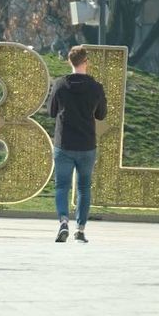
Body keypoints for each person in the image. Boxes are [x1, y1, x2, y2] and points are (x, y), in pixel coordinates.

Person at [48, 45, 107, 244]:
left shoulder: (60, 84)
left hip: (63, 143)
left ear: (69, 62)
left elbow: (51, 111)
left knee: (62, 186)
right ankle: (80, 230)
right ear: (86, 62)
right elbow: (101, 114)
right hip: (87, 144)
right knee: (83, 188)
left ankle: (63, 221)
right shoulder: (96, 87)